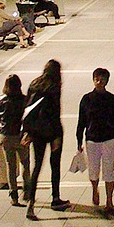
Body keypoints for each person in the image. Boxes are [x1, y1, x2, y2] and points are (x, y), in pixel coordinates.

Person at [75, 68, 114, 213]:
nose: (99, 82)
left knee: (109, 168)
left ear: (107, 81)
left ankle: (109, 200)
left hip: (110, 138)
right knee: (93, 169)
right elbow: (81, 121)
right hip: (92, 138)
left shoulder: (112, 99)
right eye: (97, 79)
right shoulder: (86, 99)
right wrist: (78, 140)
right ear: (93, 80)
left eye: (102, 79)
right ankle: (95, 189)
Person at [24, 58, 69, 217]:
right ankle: (55, 198)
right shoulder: (54, 87)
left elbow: (27, 108)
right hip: (52, 130)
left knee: (37, 165)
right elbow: (55, 112)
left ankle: (30, 201)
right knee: (54, 165)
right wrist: (57, 135)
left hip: (36, 131)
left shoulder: (34, 84)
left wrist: (27, 131)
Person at [0, 73, 30, 205]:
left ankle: (13, 194)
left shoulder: (0, 100)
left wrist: (0, 134)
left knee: (10, 165)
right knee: (25, 163)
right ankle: (27, 190)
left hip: (6, 136)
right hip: (20, 137)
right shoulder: (25, 100)